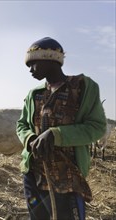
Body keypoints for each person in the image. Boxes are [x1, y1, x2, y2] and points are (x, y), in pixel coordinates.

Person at [16, 37, 107, 220]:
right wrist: (30, 138)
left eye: (34, 63)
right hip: (34, 176)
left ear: (51, 60)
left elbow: (96, 127)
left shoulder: (82, 87)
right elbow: (22, 125)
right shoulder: (34, 94)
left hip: (67, 179)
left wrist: (56, 134)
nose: (30, 69)